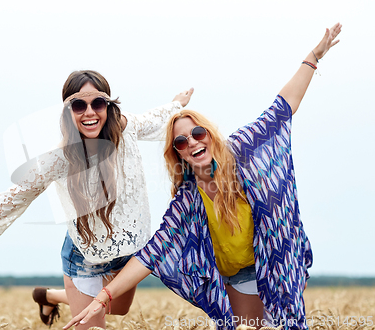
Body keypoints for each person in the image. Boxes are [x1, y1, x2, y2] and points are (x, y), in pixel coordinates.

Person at [63, 23, 342, 330]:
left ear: (209, 133)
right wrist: (104, 296)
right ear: (178, 155)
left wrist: (313, 57)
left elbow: (282, 107)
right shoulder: (189, 198)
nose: (192, 142)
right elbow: (152, 253)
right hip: (237, 275)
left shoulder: (242, 149)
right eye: (181, 142)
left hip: (276, 260)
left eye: (197, 133)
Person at [0, 70, 194, 330]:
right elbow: (11, 198)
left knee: (119, 308)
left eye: (97, 103)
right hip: (85, 255)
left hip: (127, 249)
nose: (89, 111)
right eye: (79, 104)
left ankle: (49, 295)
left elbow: (157, 117)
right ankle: (71, 294)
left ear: (108, 106)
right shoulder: (59, 159)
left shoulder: (126, 129)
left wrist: (177, 104)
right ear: (68, 111)